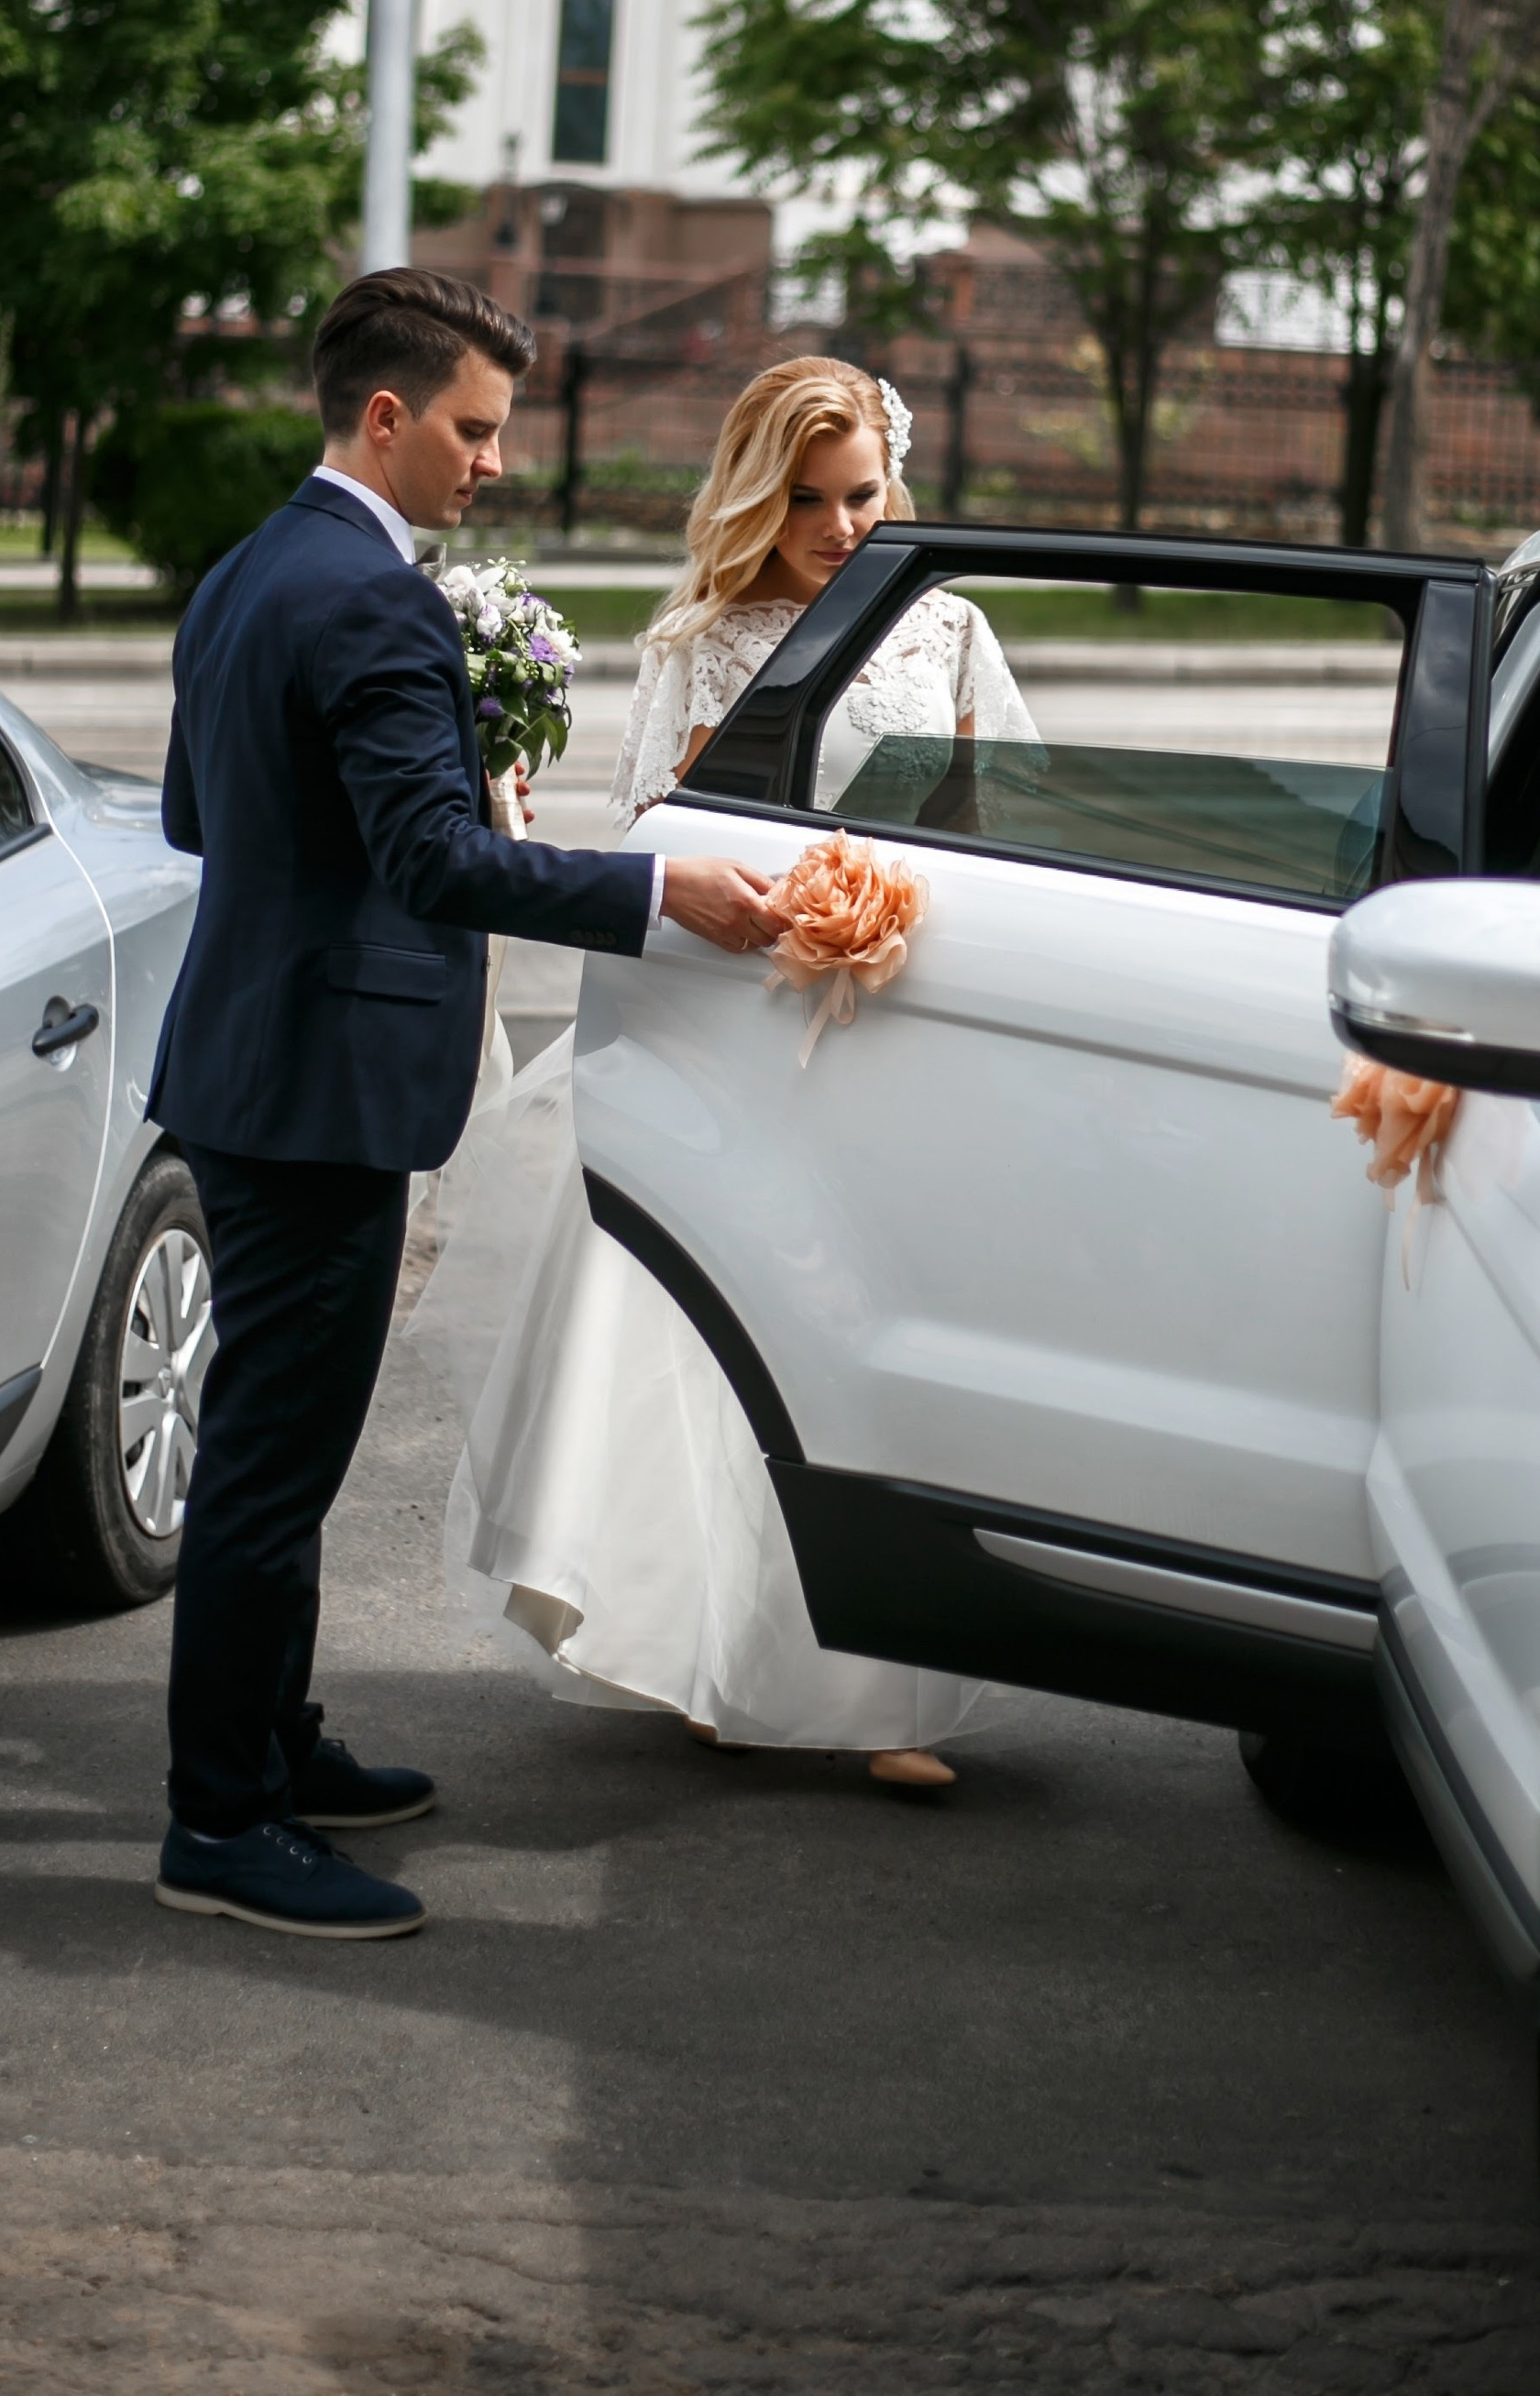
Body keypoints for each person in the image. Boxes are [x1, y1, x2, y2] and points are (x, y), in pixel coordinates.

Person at [147, 268, 780, 1941]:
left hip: (248, 1062)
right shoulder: (372, 603)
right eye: (476, 429)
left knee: (276, 1448)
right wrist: (663, 898)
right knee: (275, 1472)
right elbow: (432, 864)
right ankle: (221, 1823)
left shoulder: (245, 571)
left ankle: (275, 1745)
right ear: (388, 415)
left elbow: (197, 817)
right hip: (317, 1092)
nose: (494, 462)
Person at [424, 357, 1036, 1787]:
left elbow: (1011, 818)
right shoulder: (698, 641)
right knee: (713, 1346)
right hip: (728, 1025)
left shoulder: (948, 632)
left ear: (896, 486)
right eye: (806, 499)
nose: (834, 527)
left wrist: (908, 909)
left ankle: (878, 1699)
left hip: (883, 1021)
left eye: (860, 496)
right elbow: (646, 840)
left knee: (868, 1339)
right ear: (759, 495)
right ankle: (713, 1653)